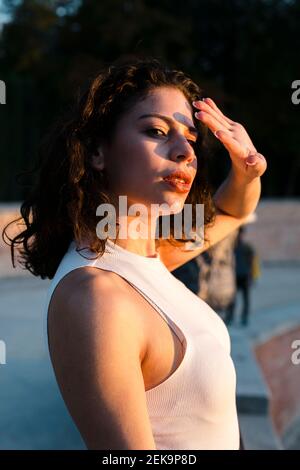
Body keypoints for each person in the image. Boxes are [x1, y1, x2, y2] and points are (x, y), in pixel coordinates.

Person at [2, 55, 267, 450]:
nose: (184, 152)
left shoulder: (151, 257)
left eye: (191, 137)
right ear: (97, 152)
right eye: (157, 131)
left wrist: (247, 170)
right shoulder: (96, 297)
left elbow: (235, 210)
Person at [224, 226, 258, 326]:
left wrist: (252, 276)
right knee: (235, 299)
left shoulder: (244, 248)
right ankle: (233, 317)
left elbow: (252, 263)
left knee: (242, 299)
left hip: (243, 276)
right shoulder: (235, 247)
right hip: (236, 276)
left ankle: (241, 318)